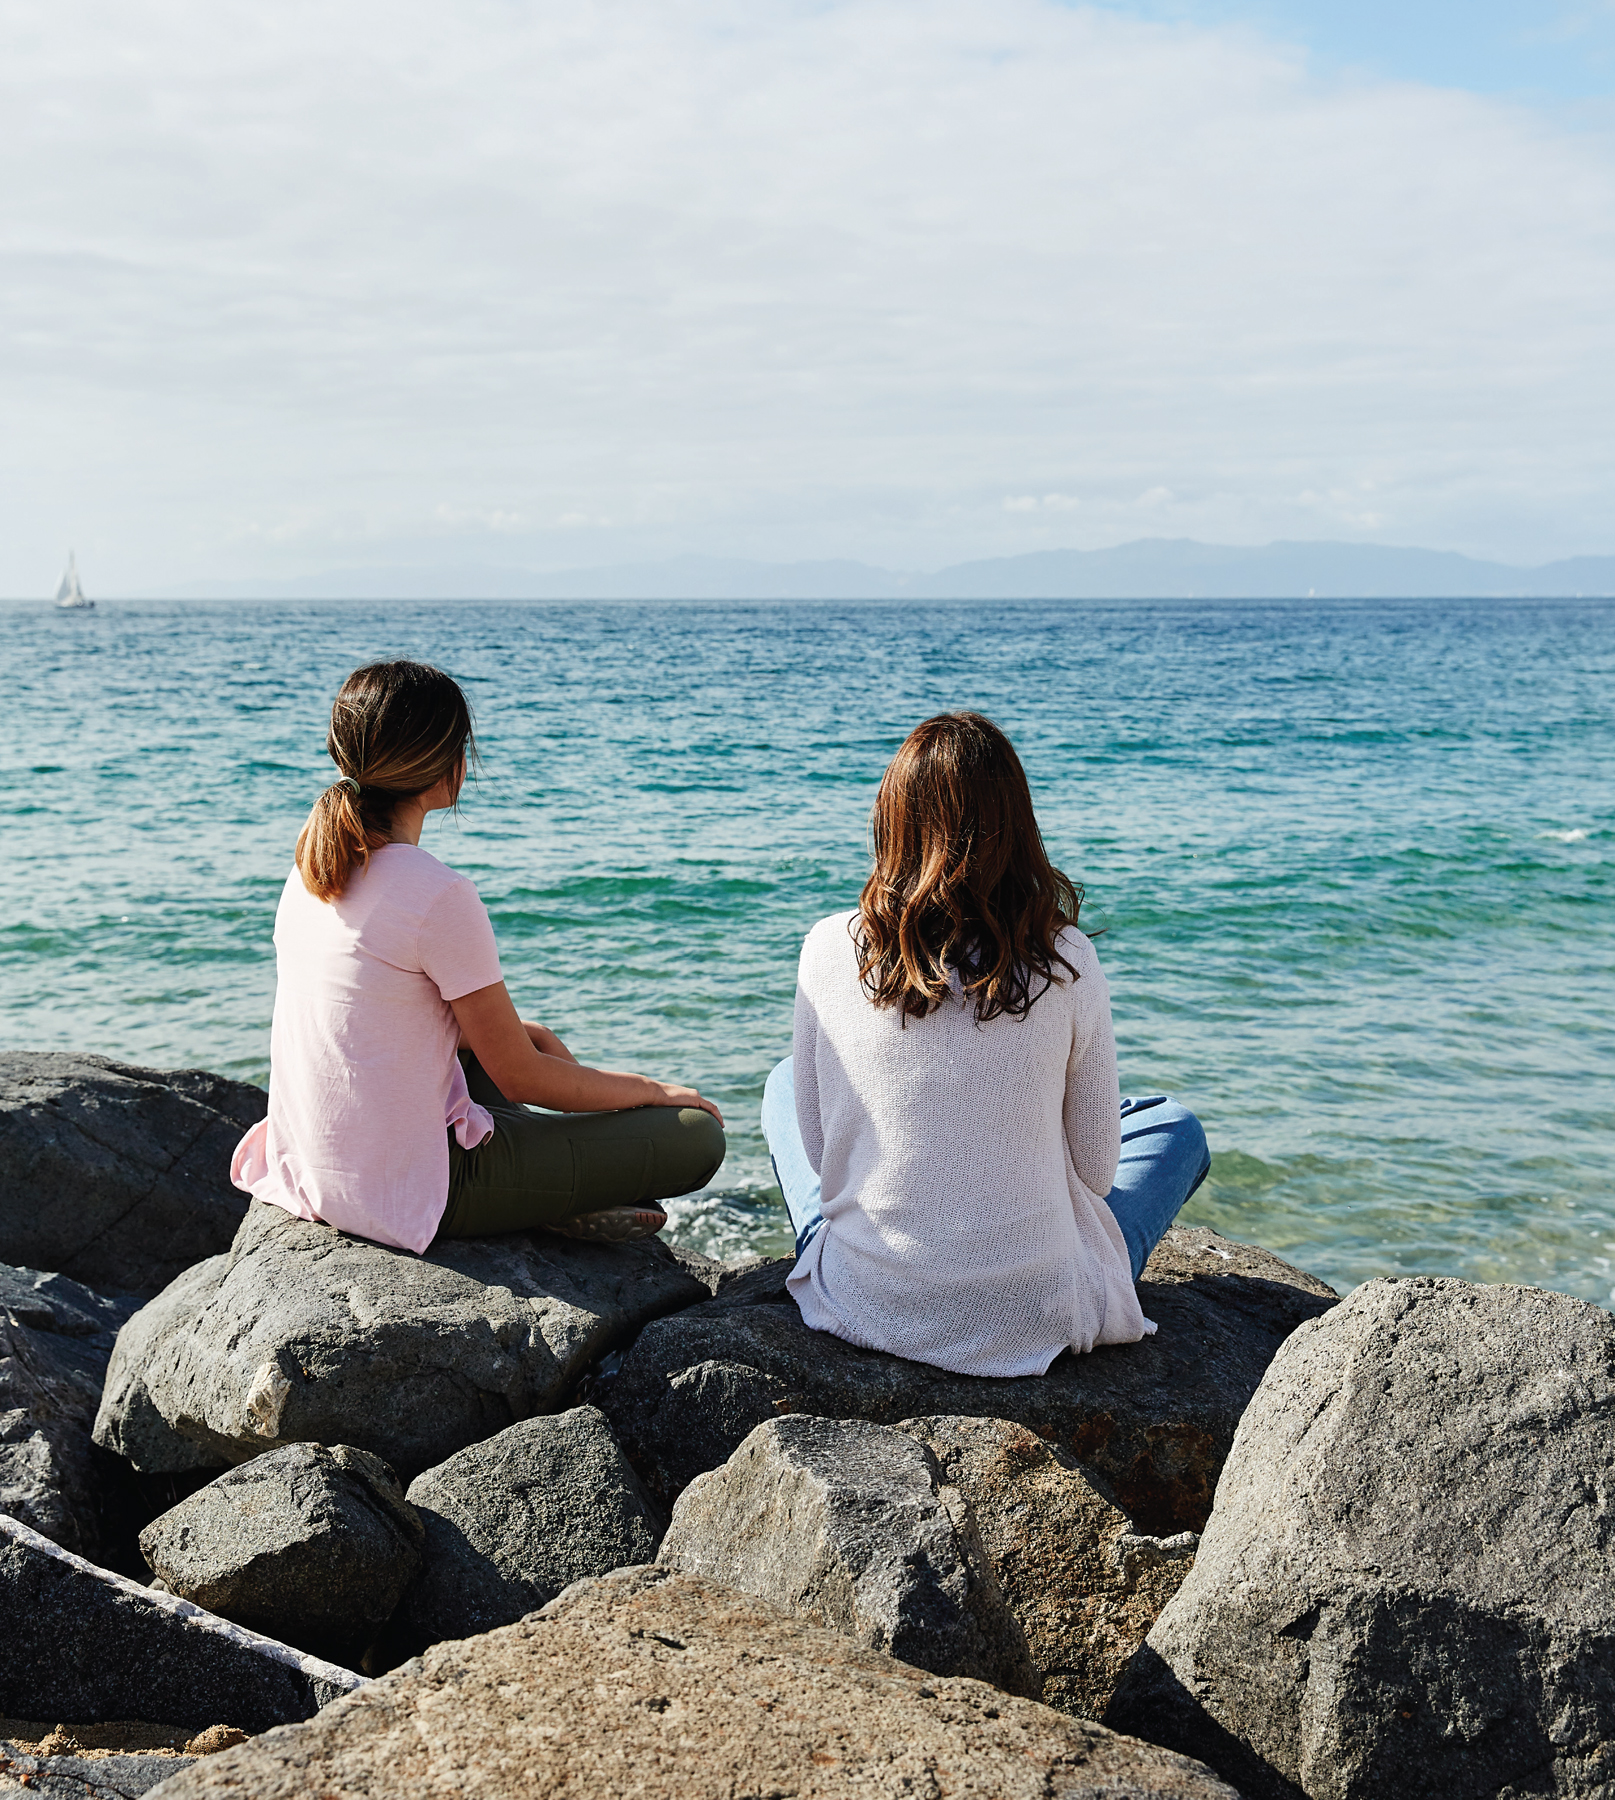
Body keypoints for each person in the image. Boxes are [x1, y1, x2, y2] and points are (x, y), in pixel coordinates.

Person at [761, 711, 1208, 1379]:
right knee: (1172, 1125)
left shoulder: (829, 945)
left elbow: (826, 1162)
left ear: (890, 821)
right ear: (1016, 829)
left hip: (868, 1300)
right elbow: (1094, 1171)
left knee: (781, 1082)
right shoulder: (1063, 958)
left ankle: (864, 1254)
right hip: (1035, 1312)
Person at [231, 659, 725, 1253]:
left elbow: (378, 1027)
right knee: (698, 1136)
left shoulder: (311, 870)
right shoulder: (437, 894)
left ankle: (561, 1184)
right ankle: (557, 1193)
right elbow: (521, 1078)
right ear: (446, 765)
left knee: (531, 1036)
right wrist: (653, 1090)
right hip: (415, 1192)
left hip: (314, 1163)